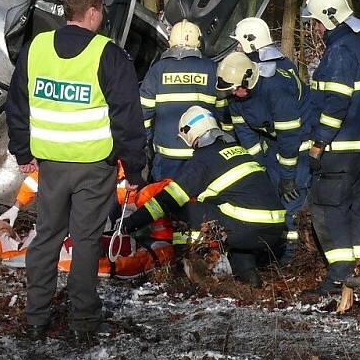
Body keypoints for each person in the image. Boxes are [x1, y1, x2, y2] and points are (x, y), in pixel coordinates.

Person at [6, 0, 147, 344]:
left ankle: (36, 316)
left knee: (46, 237)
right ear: (94, 12)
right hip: (93, 166)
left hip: (50, 165)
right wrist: (133, 170)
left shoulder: (36, 48)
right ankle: (83, 320)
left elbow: (17, 104)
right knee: (85, 241)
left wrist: (22, 152)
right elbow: (127, 118)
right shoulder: (108, 54)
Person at [122, 106, 286, 287]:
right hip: (273, 230)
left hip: (247, 227)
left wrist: (131, 223)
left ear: (190, 133)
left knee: (183, 211)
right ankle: (248, 275)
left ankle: (190, 274)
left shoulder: (203, 159)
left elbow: (167, 200)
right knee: (230, 218)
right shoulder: (239, 151)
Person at [301, 0, 360, 294]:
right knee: (354, 207)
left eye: (318, 23)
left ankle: (339, 278)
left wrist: (318, 144)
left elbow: (335, 106)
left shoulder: (338, 54)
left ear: (329, 20)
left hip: (338, 149)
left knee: (328, 209)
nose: (317, 29)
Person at [216, 50, 312, 259]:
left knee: (291, 199)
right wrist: (259, 168)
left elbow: (289, 137)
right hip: (273, 140)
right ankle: (273, 250)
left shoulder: (276, 90)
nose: (234, 93)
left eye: (236, 89)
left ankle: (291, 257)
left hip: (299, 141)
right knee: (271, 195)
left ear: (248, 80)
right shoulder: (236, 96)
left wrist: (287, 177)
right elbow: (245, 132)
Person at [139, 19, 221, 245]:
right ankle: (199, 248)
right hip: (202, 155)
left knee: (167, 205)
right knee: (199, 205)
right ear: (198, 42)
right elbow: (223, 111)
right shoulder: (211, 69)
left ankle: (168, 254)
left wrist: (145, 146)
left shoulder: (158, 70)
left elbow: (143, 113)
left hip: (168, 157)